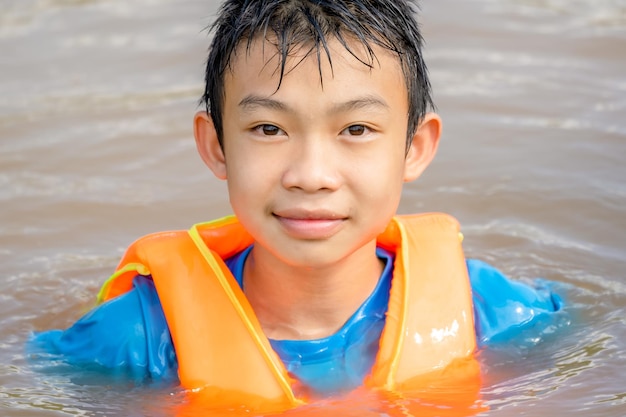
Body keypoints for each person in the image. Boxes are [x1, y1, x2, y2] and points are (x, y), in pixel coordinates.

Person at [28, 0, 563, 413]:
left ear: (414, 148)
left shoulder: (491, 312)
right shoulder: (136, 339)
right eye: (269, 128)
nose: (311, 176)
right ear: (216, 146)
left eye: (356, 129)